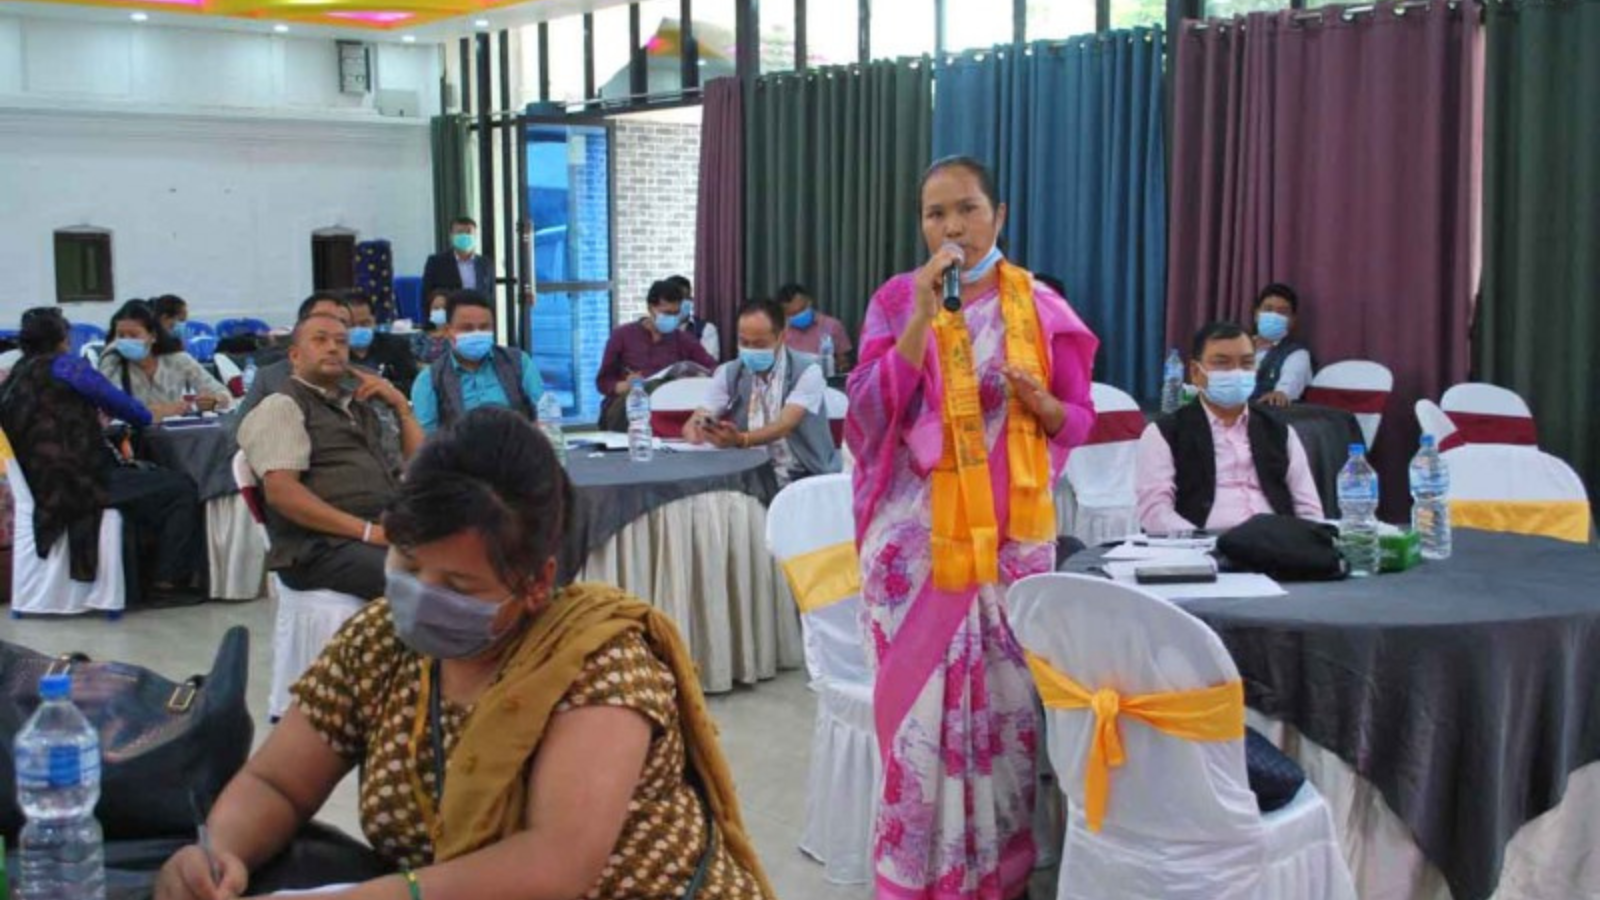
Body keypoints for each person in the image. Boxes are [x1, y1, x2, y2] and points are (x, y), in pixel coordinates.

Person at [154, 408, 777, 900]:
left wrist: (379, 896)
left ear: (536, 582)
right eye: (407, 564)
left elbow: (555, 864)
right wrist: (221, 853)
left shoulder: (596, 661)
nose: (420, 595)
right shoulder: (380, 641)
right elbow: (278, 783)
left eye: (458, 586)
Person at [846, 156, 1098, 899]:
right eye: (936, 214)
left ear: (1000, 214)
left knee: (1006, 708)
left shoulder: (1042, 309)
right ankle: (916, 877)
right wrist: (922, 318)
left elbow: (1078, 419)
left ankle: (999, 873)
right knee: (919, 718)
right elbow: (866, 412)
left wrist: (1043, 406)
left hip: (1011, 545)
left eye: (967, 209)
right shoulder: (897, 300)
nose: (952, 227)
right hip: (914, 547)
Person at [0, 307, 204, 596]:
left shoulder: (14, 379)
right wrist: (158, 412)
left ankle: (137, 577)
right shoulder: (69, 368)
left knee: (147, 485)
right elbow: (130, 411)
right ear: (63, 339)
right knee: (179, 488)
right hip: (82, 483)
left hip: (40, 486)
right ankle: (167, 581)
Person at [237, 311, 422, 600]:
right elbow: (281, 493)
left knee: (474, 556)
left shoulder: (360, 406)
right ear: (295, 356)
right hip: (320, 546)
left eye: (341, 342)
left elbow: (419, 469)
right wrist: (367, 532)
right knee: (425, 577)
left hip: (380, 528)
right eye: (320, 340)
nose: (333, 348)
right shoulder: (283, 406)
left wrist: (402, 408)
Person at [1136, 321, 1325, 534]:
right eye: (1222, 364)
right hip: (1202, 546)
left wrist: (1308, 541)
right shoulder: (1165, 434)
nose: (1236, 372)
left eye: (1246, 363)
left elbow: (1309, 508)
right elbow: (1155, 513)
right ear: (1196, 373)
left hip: (1277, 545)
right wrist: (1199, 542)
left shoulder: (1279, 432)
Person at [683, 298, 840, 486]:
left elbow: (784, 425)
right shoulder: (730, 372)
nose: (750, 350)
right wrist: (698, 428)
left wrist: (742, 439)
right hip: (750, 473)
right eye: (744, 342)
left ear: (782, 336)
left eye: (759, 344)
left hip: (804, 474)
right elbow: (702, 413)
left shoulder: (807, 371)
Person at [410, 291, 544, 435]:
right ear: (448, 331)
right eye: (467, 328)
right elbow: (424, 438)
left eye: (484, 327)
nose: (477, 333)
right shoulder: (430, 380)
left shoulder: (518, 362)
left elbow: (544, 414)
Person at [594, 279, 717, 431]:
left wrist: (692, 378)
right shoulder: (622, 335)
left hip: (665, 407)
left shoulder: (683, 339)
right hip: (628, 409)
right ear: (651, 308)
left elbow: (712, 367)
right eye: (667, 313)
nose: (672, 319)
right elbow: (603, 381)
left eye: (676, 314)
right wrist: (626, 385)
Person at [98, 299, 231, 421]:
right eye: (121, 335)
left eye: (133, 335)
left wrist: (208, 403)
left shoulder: (178, 360)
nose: (126, 341)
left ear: (153, 336)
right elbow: (110, 408)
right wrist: (163, 411)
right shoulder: (113, 363)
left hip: (173, 435)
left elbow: (225, 397)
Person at [232, 293, 354, 426]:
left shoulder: (365, 383)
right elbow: (237, 433)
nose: (332, 346)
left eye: (342, 323)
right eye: (322, 320)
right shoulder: (269, 379)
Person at [1251, 282, 1313, 406]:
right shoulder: (1234, 345)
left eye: (1282, 312)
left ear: (1292, 320)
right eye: (1268, 309)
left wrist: (1280, 394)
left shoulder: (1297, 354)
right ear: (1256, 314)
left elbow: (1286, 389)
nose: (1274, 316)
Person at [347, 292, 420, 395]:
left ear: (374, 320)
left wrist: (387, 387)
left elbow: (414, 385)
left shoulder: (396, 345)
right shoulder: (335, 351)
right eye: (351, 325)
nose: (358, 329)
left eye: (364, 323)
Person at [775, 282, 853, 374]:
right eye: (793, 314)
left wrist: (840, 365)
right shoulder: (779, 332)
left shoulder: (832, 326)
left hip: (826, 379)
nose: (799, 315)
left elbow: (844, 362)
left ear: (809, 302)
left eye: (802, 309)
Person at [421, 216, 494, 300]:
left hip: (477, 308)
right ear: (451, 236)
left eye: (468, 232)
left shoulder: (485, 264)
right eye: (460, 232)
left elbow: (490, 297)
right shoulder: (436, 263)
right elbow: (426, 296)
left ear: (475, 236)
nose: (464, 236)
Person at [410, 288, 454, 366]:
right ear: (429, 310)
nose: (441, 311)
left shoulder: (457, 337)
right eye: (436, 308)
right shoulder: (419, 337)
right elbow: (413, 361)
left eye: (445, 308)